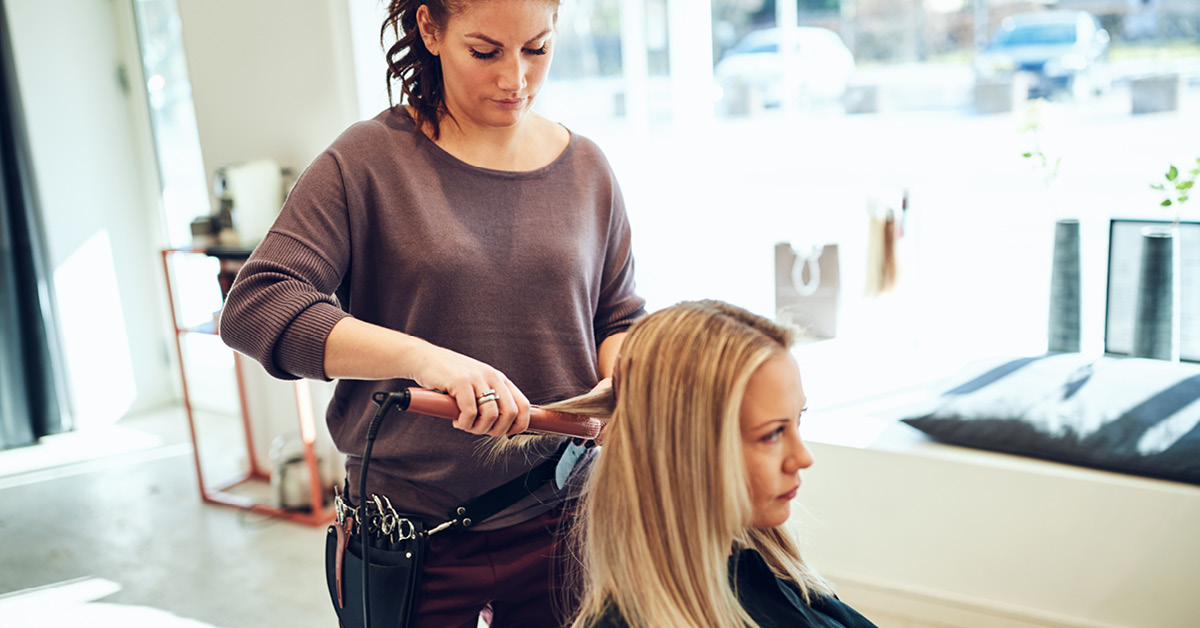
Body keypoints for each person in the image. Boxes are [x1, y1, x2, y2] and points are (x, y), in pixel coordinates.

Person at [218, 0, 645, 625]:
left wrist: (624, 375)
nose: (515, 79)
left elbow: (618, 315)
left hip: (565, 517)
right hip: (413, 534)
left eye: (537, 49)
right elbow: (258, 304)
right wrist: (426, 360)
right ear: (429, 28)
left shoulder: (587, 169)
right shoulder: (367, 160)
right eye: (485, 51)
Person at [546, 300, 878, 628]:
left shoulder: (772, 573)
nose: (803, 458)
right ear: (687, 449)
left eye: (797, 420)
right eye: (774, 433)